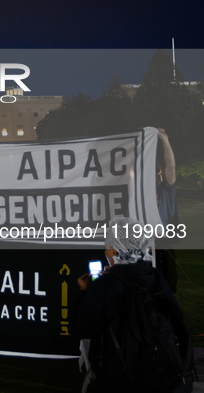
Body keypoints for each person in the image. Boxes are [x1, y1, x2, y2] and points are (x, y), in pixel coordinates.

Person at [71, 216, 192, 393]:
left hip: (121, 377)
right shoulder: (155, 276)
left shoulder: (106, 284)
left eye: (107, 247)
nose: (106, 252)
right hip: (159, 371)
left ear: (114, 252)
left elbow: (82, 328)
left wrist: (85, 292)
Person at [156, 128, 178, 292]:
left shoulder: (165, 190)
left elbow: (171, 166)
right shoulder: (140, 192)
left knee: (166, 289)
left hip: (163, 245)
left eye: (158, 173)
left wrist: (164, 140)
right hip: (145, 245)